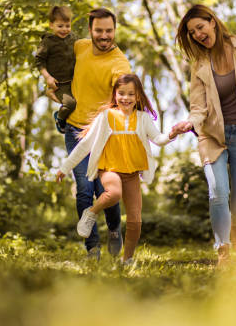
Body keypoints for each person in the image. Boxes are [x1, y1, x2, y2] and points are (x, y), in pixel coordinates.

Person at [171, 4, 236, 266]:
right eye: (192, 32)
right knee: (218, 192)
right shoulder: (199, 65)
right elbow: (198, 107)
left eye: (200, 27)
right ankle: (223, 251)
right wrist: (188, 123)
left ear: (213, 22)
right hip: (212, 136)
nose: (197, 34)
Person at [57, 74, 179, 264]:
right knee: (113, 193)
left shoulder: (143, 118)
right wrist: (65, 167)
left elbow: (159, 139)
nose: (126, 98)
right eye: (121, 93)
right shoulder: (106, 116)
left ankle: (127, 259)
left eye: (131, 94)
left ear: (138, 96)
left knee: (135, 221)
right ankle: (90, 213)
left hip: (132, 174)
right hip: (110, 169)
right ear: (115, 95)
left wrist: (173, 133)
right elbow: (85, 144)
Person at [63, 8, 131, 260]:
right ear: (90, 31)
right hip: (75, 130)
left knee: (105, 188)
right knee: (83, 189)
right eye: (99, 31)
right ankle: (92, 247)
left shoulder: (119, 63)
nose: (104, 36)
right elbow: (57, 58)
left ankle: (114, 230)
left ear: (115, 30)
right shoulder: (79, 47)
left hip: (104, 135)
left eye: (109, 31)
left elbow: (125, 92)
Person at [35, 6, 78, 133]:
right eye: (60, 26)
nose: (65, 29)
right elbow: (39, 61)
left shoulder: (73, 38)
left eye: (67, 25)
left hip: (74, 80)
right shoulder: (48, 42)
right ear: (51, 25)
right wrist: (47, 77)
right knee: (70, 104)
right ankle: (59, 118)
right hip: (59, 84)